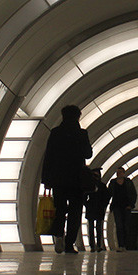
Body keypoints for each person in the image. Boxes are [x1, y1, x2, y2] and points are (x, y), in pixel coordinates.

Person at [41, 104, 92, 254]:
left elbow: (48, 157)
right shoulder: (82, 134)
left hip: (59, 179)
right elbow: (88, 154)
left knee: (60, 209)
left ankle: (58, 235)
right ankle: (70, 244)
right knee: (75, 212)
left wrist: (46, 179)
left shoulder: (56, 133)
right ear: (77, 117)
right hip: (77, 179)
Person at [108, 166, 137, 251]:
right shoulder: (113, 182)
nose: (118, 173)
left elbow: (134, 194)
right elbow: (109, 194)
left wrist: (131, 205)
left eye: (120, 172)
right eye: (117, 172)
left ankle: (124, 244)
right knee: (119, 225)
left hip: (126, 207)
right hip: (117, 206)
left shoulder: (128, 182)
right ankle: (120, 245)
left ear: (123, 173)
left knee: (125, 226)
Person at [84, 167, 110, 252]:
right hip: (95, 208)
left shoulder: (92, 185)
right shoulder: (101, 186)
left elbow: (106, 197)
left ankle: (96, 245)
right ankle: (95, 245)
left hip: (95, 208)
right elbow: (107, 196)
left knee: (96, 227)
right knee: (95, 228)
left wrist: (87, 204)